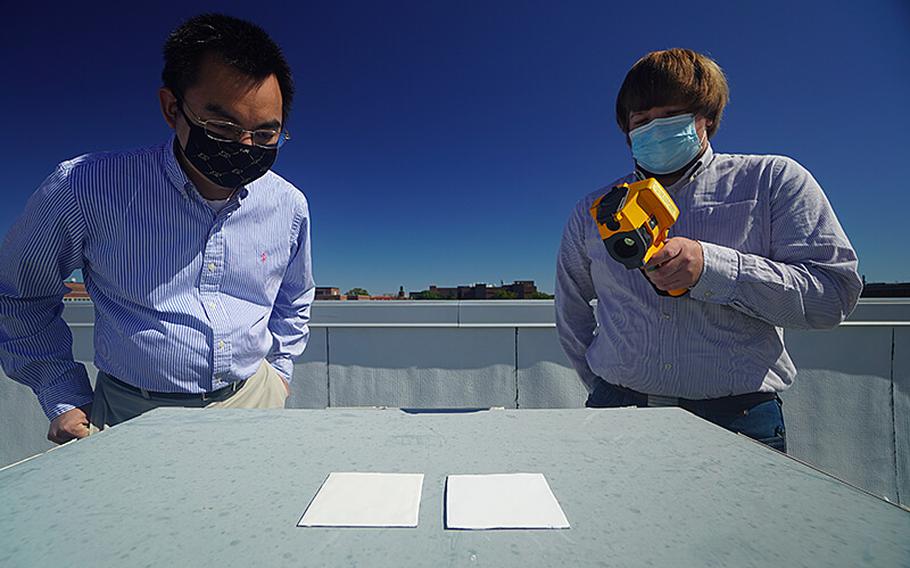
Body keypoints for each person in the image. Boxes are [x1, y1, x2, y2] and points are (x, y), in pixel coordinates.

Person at [0, 14, 315, 444]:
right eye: (223, 126)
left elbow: (293, 299)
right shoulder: (86, 186)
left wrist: (278, 374)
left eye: (264, 135)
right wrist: (62, 393)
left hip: (254, 401)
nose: (244, 146)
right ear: (172, 108)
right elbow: (20, 293)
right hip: (132, 414)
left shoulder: (288, 205)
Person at [555, 48, 861, 451]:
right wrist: (603, 385)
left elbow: (832, 296)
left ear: (708, 118)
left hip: (739, 421)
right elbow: (571, 310)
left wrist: (714, 270)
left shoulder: (772, 182)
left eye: (669, 116)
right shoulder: (592, 211)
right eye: (641, 121)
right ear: (627, 132)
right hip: (617, 408)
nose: (654, 128)